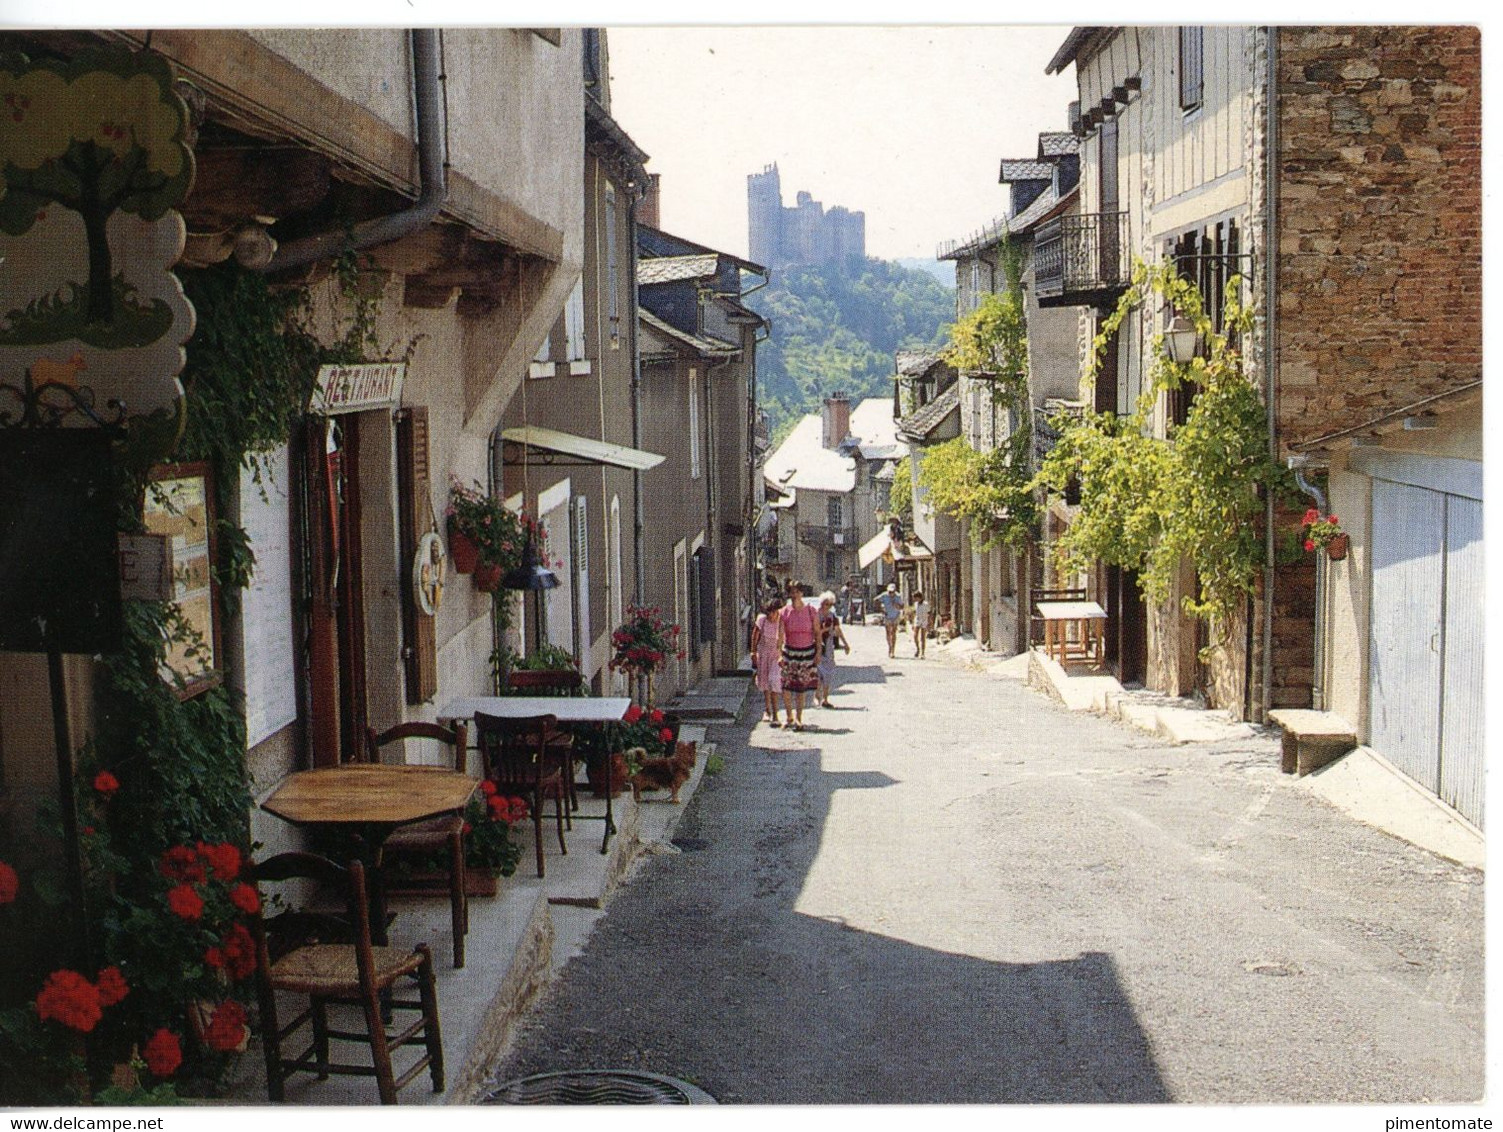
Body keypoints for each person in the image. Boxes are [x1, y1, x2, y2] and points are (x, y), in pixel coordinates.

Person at [778, 580, 821, 731]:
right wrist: (779, 655)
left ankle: (799, 718)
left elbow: (817, 633)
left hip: (806, 652)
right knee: (786, 686)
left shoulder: (811, 611)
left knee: (801, 688)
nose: (795, 595)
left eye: (797, 592)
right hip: (790, 652)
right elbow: (780, 636)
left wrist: (818, 653)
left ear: (802, 593)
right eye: (792, 592)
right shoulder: (784, 612)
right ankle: (789, 716)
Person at [750, 598, 785, 725]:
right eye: (769, 612)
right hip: (764, 654)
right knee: (765, 682)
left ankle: (776, 715)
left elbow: (785, 638)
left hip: (777, 655)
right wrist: (753, 652)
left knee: (774, 681)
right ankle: (767, 710)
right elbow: (755, 636)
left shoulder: (782, 621)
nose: (771, 615)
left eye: (774, 612)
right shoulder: (762, 620)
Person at [815, 591, 849, 708]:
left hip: (828, 647)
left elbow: (838, 630)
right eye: (826, 604)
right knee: (818, 673)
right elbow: (814, 632)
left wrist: (845, 644)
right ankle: (817, 695)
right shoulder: (815, 615)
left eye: (830, 604)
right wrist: (825, 630)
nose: (828, 607)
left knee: (828, 674)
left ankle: (825, 699)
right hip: (817, 647)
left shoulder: (832, 616)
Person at [877, 582, 905, 658]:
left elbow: (902, 606)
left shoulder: (898, 596)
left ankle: (892, 650)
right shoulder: (884, 595)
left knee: (893, 632)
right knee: (888, 633)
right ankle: (889, 646)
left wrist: (897, 606)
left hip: (895, 616)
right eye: (890, 592)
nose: (891, 594)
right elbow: (876, 600)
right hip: (887, 616)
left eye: (892, 592)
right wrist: (881, 609)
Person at [911, 591, 930, 657]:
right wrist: (913, 623)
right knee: (915, 636)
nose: (915, 599)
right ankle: (918, 649)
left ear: (919, 597)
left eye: (916, 598)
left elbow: (929, 613)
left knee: (923, 637)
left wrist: (930, 623)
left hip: (924, 620)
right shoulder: (916, 604)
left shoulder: (926, 604)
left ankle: (923, 653)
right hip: (917, 620)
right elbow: (915, 613)